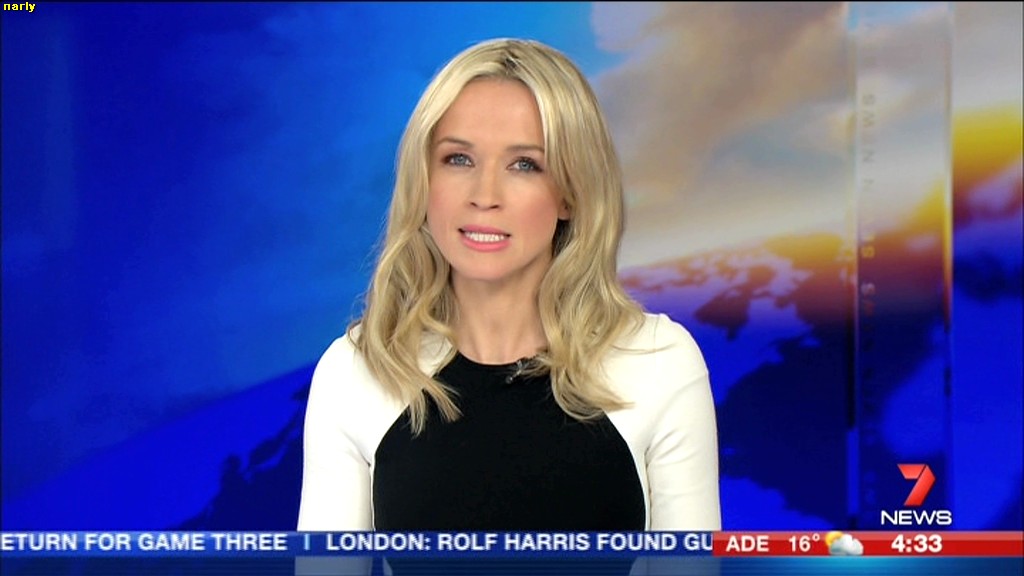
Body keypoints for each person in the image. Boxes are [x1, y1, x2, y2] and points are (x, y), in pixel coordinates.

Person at [297, 37, 720, 533]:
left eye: (525, 164)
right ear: (423, 180)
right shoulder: (355, 373)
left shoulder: (659, 363)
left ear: (571, 192)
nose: (485, 195)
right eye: (459, 159)